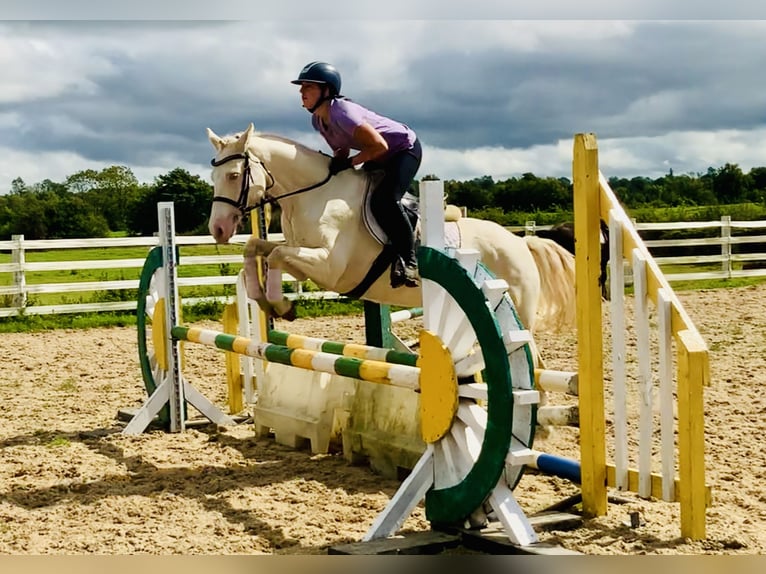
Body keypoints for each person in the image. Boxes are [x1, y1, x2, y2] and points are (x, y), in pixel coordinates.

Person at [291, 61, 423, 288]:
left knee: (385, 200)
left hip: (403, 150)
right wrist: (337, 164)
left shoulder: (343, 112)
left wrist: (351, 162)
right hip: (378, 155)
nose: (301, 92)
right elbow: (341, 147)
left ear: (326, 90)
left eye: (308, 87)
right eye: (301, 87)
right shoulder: (318, 121)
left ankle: (409, 262)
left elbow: (379, 146)